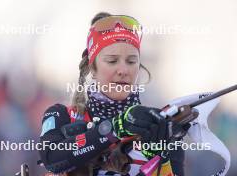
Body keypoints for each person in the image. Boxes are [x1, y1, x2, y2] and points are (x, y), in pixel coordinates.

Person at [39, 12, 192, 176]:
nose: (124, 70)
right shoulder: (61, 115)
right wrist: (117, 126)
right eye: (112, 61)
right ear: (93, 68)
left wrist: (158, 155)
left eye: (131, 61)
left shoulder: (158, 123)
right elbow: (52, 159)